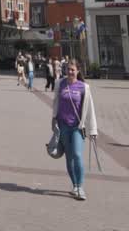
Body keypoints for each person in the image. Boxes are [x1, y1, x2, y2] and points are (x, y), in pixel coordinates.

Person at [52, 59, 97, 201]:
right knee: (69, 158)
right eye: (68, 69)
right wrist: (53, 119)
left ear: (78, 71)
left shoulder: (84, 87)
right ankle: (74, 185)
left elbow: (90, 109)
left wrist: (93, 130)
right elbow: (55, 102)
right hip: (63, 126)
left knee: (77, 155)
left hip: (77, 127)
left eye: (73, 69)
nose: (70, 72)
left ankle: (80, 186)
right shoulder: (60, 83)